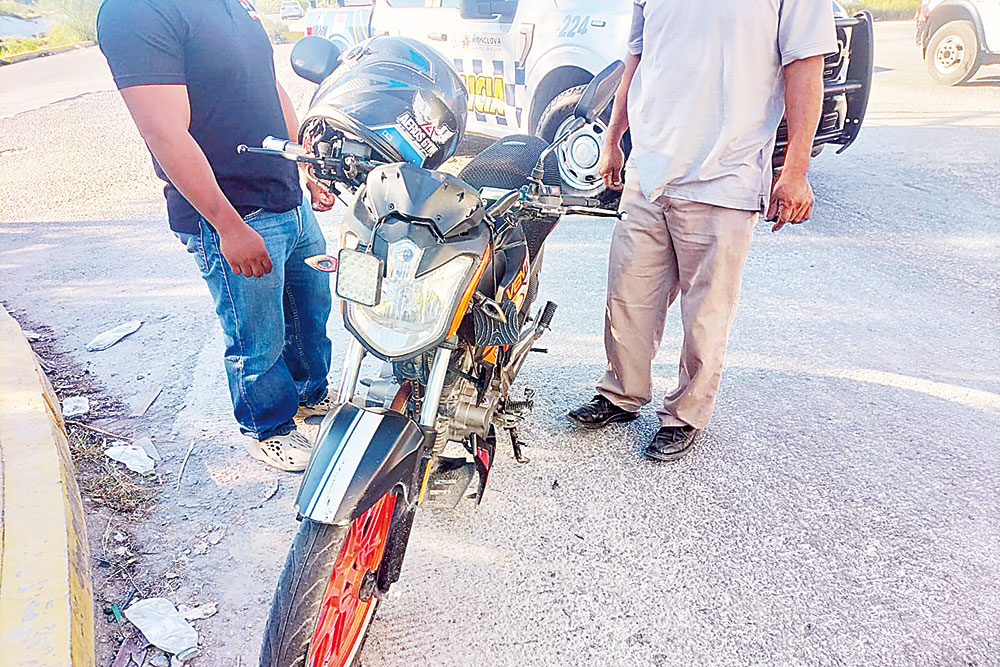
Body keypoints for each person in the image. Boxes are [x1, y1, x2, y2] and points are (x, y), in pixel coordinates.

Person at [568, 0, 836, 461]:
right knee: (628, 297)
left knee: (706, 314)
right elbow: (635, 60)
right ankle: (621, 393)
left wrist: (795, 169)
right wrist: (613, 138)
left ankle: (685, 415)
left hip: (724, 176)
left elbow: (806, 68)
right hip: (649, 169)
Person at [97, 0, 338, 472]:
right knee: (258, 336)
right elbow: (164, 133)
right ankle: (267, 427)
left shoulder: (233, 4)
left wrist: (306, 168)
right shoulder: (136, 11)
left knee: (310, 311)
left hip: (284, 193)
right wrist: (228, 227)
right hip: (233, 211)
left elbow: (269, 91)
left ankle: (309, 400)